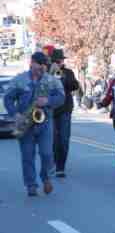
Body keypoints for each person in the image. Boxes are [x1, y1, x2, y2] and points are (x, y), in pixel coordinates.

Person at [4, 52, 65, 196]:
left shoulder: (51, 80)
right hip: (25, 123)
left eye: (44, 65)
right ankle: (31, 185)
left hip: (45, 122)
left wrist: (48, 101)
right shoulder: (19, 80)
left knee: (47, 154)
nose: (42, 68)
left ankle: (46, 178)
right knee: (27, 156)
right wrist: (15, 114)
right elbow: (8, 99)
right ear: (31, 63)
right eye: (39, 64)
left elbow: (61, 97)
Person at [50, 49, 80, 178]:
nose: (60, 62)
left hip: (64, 110)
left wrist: (61, 75)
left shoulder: (68, 72)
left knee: (64, 139)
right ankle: (54, 163)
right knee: (53, 140)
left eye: (61, 60)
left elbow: (74, 86)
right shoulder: (46, 73)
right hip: (50, 109)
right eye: (57, 61)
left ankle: (60, 167)